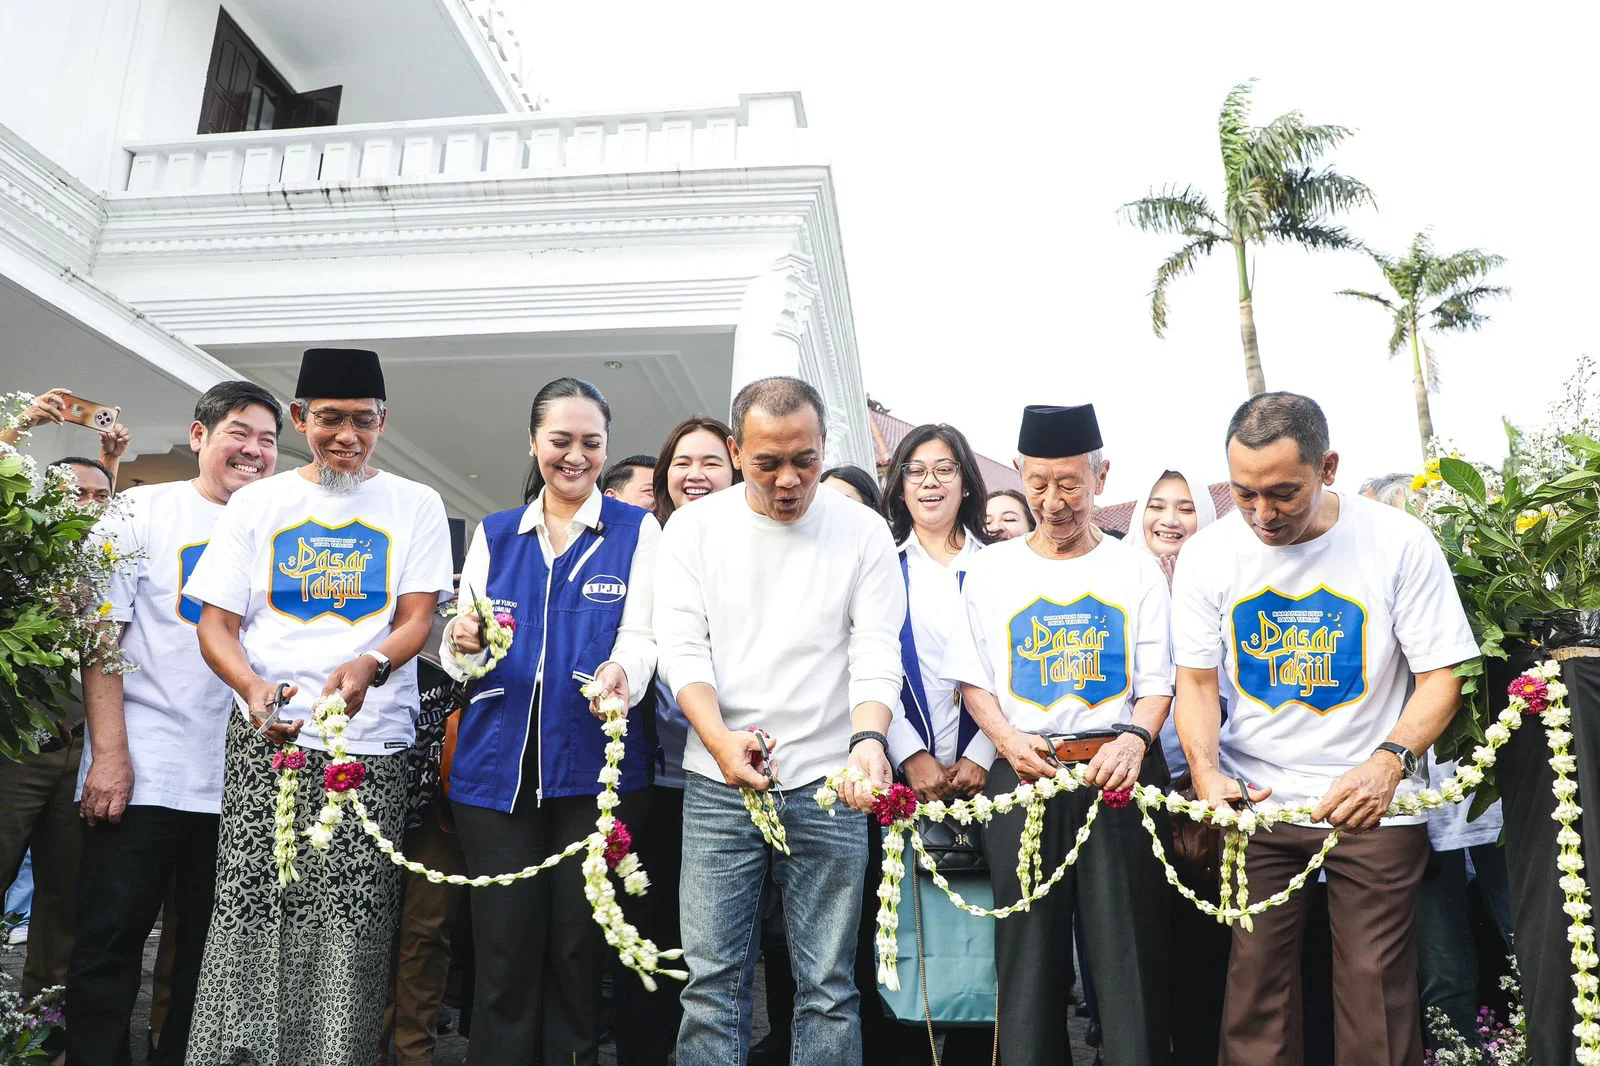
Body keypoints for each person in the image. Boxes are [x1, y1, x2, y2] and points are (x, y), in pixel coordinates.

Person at [1171, 392, 1479, 1066]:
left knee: (1375, 991)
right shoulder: (1209, 554)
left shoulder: (1397, 541)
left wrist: (1389, 759)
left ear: (1328, 466)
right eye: (1244, 493)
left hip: (1373, 808)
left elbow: (1445, 675)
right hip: (1256, 805)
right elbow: (1194, 683)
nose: (1261, 513)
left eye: (1282, 492)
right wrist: (1205, 774)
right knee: (1256, 992)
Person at [183, 348, 455, 1066]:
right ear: (300, 418)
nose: (347, 437)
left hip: (373, 751)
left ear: (382, 422)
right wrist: (250, 688)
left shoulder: (415, 503)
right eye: (329, 419)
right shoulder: (257, 504)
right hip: (269, 743)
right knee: (251, 916)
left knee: (353, 926)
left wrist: (373, 662)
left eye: (363, 422)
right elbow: (216, 624)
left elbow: (418, 617)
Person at [654, 376, 902, 1066]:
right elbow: (681, 648)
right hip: (717, 781)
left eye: (806, 460)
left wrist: (868, 741)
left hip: (830, 779)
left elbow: (877, 649)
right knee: (711, 984)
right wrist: (718, 740)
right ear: (736, 452)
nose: (789, 480)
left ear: (826, 448)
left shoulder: (863, 532)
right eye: (768, 463)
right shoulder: (695, 530)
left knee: (827, 984)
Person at [944, 403, 1173, 1066]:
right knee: (1029, 960)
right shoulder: (992, 569)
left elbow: (1157, 679)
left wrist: (1133, 740)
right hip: (1024, 774)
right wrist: (1008, 743)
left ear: (1101, 478)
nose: (1053, 500)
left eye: (1069, 483)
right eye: (1038, 483)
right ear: (1019, 475)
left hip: (1117, 776)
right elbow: (972, 678)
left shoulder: (1134, 568)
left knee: (1127, 956)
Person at [441, 377, 658, 1066]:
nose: (575, 456)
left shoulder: (634, 529)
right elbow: (459, 650)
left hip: (594, 773)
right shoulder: (498, 533)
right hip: (494, 775)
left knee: (576, 950)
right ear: (534, 443)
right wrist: (464, 643)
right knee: (503, 954)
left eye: (590, 443)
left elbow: (644, 634)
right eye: (560, 441)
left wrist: (624, 672)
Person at [67, 382, 281, 1066]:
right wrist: (109, 756)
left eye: (268, 440)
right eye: (238, 434)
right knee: (108, 950)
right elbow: (100, 635)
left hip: (243, 787)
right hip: (146, 773)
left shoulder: (285, 523)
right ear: (198, 437)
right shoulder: (138, 510)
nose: (253, 451)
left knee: (208, 966)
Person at [880, 423, 997, 1063]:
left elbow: (1017, 671)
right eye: (916, 469)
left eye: (944, 468)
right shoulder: (882, 566)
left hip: (995, 773)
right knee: (912, 925)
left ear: (966, 482)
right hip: (907, 778)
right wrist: (909, 754)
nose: (929, 481)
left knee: (985, 926)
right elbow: (869, 665)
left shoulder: (1000, 565)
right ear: (898, 484)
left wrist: (981, 756)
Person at [0, 454, 116, 1046]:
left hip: (84, 752)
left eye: (101, 496)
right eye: (75, 494)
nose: (88, 506)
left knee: (63, 902)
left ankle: (37, 1039)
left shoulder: (115, 565)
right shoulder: (20, 557)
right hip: (19, 751)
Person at [1126, 467, 1230, 1066]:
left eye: (1186, 508)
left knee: (1201, 939)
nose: (1170, 520)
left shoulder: (1224, 579)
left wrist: (1201, 768)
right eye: (1157, 506)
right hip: (1131, 785)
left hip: (1204, 791)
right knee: (1138, 936)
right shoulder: (1120, 579)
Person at [380, 599, 469, 1066]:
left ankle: (415, 1055)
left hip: (436, 798)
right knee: (363, 930)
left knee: (425, 931)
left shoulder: (460, 613)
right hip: (362, 783)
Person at [0, 387, 130, 486]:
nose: (91, 502)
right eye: (78, 493)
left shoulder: (105, 518)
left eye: (101, 496)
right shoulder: (33, 519)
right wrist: (22, 423)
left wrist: (111, 457)